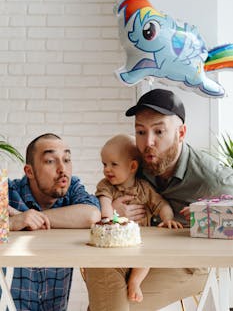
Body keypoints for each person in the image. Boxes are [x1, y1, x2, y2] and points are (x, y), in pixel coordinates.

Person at [85, 88, 233, 311]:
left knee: (119, 303)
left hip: (185, 262)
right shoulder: (136, 163)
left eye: (159, 132)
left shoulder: (210, 178)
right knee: (98, 266)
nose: (148, 142)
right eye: (141, 132)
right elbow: (104, 193)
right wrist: (114, 211)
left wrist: (209, 217)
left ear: (181, 133)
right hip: (136, 252)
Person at [4, 133, 101, 311]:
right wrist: (12, 222)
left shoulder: (72, 189)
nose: (62, 168)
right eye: (50, 161)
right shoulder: (8, 191)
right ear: (29, 171)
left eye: (67, 159)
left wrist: (33, 217)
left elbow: (92, 215)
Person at [95, 133, 182, 302]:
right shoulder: (106, 186)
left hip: (140, 241)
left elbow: (161, 204)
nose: (107, 169)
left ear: (133, 166)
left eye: (113, 164)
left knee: (149, 254)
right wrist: (110, 215)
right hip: (116, 240)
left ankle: (135, 281)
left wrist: (168, 218)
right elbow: (104, 207)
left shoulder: (144, 188)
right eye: (104, 164)